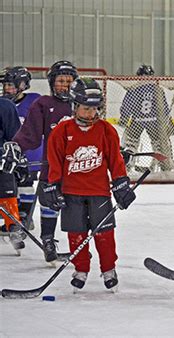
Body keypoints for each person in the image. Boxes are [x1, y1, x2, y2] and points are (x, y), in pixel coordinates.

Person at [44, 77, 136, 292]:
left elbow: (115, 160)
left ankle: (108, 269)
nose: (90, 113)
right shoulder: (62, 131)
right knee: (76, 234)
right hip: (71, 193)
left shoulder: (106, 130)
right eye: (86, 108)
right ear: (75, 106)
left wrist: (121, 184)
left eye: (94, 109)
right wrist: (52, 186)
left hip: (99, 192)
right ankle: (81, 269)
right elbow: (54, 162)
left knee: (104, 234)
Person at [12, 60, 78, 262]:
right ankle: (48, 240)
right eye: (60, 80)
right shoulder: (43, 104)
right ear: (52, 82)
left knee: (78, 206)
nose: (64, 85)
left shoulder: (83, 104)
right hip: (53, 165)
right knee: (49, 201)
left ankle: (79, 245)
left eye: (69, 81)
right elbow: (30, 135)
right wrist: (14, 148)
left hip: (80, 167)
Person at [1, 66, 42, 229]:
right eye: (5, 85)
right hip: (10, 153)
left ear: (23, 85)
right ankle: (15, 217)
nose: (6, 89)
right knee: (12, 185)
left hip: (29, 152)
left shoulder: (34, 101)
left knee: (26, 183)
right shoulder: (4, 105)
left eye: (11, 85)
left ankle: (26, 216)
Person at [119, 64, 174, 172]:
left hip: (137, 121)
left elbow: (127, 105)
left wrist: (124, 118)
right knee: (158, 144)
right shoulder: (157, 89)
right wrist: (167, 122)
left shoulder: (133, 89)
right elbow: (163, 108)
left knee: (131, 143)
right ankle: (164, 165)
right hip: (154, 122)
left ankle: (127, 165)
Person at [0, 97, 28, 251]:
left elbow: (14, 137)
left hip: (1, 160)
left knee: (6, 188)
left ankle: (13, 226)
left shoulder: (4, 106)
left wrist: (17, 157)